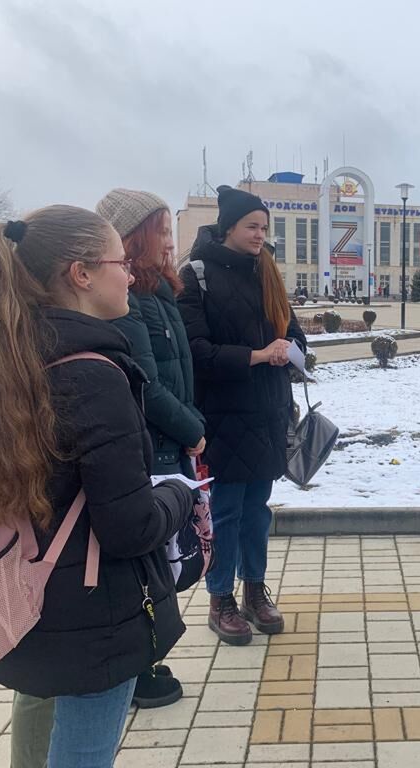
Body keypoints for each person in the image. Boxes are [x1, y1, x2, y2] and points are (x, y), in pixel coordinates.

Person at [0, 206, 194, 767]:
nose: (130, 275)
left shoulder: (0, 355)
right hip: (93, 613)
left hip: (17, 590)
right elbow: (129, 528)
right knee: (83, 753)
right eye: (120, 263)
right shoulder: (92, 374)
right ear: (81, 274)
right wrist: (178, 495)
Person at [178, 186, 307, 646]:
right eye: (252, 226)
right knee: (227, 511)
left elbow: (294, 332)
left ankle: (255, 590)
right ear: (229, 226)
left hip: (269, 412)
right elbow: (195, 351)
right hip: (224, 417)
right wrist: (257, 356)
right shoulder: (196, 276)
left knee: (257, 512)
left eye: (263, 227)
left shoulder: (266, 271)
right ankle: (221, 599)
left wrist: (291, 349)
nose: (259, 235)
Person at [97, 188, 207, 709]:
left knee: (160, 560)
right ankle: (139, 667)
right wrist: (192, 428)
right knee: (147, 561)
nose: (169, 241)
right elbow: (146, 383)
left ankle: (146, 659)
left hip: (171, 441)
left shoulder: (160, 291)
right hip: (152, 447)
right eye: (160, 231)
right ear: (132, 237)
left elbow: (179, 371)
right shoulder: (127, 301)